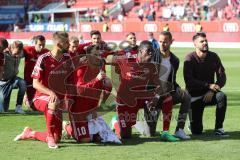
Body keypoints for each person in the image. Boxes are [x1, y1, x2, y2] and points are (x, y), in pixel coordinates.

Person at [14, 31, 74, 149]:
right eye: (67, 43)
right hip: (41, 97)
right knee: (53, 101)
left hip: (58, 100)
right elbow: (35, 83)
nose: (69, 45)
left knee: (59, 138)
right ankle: (50, 137)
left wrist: (68, 97)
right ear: (59, 44)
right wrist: (51, 92)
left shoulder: (68, 58)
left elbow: (71, 81)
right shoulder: (43, 59)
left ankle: (30, 133)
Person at [112, 40, 173, 139]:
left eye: (152, 51)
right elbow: (111, 61)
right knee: (125, 136)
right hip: (126, 101)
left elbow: (159, 85)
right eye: (148, 51)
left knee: (167, 97)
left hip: (143, 98)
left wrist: (156, 98)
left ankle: (165, 132)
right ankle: (116, 122)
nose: (151, 53)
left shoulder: (152, 66)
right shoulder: (126, 61)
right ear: (140, 51)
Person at [62, 44, 120, 144]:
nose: (99, 57)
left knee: (103, 138)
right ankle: (67, 126)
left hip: (91, 110)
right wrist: (97, 79)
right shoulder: (81, 69)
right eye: (95, 55)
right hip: (78, 111)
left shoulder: (99, 68)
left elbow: (100, 92)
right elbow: (80, 91)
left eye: (99, 55)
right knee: (85, 140)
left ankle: (112, 123)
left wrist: (108, 87)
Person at [183, 32, 228, 136]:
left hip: (209, 94)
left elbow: (222, 76)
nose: (205, 43)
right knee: (197, 132)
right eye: (202, 41)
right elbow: (189, 80)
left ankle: (219, 128)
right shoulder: (189, 58)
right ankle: (192, 123)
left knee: (221, 96)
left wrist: (212, 90)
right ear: (195, 44)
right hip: (194, 97)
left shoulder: (213, 56)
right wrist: (208, 85)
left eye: (206, 40)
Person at [151, 31, 191, 140]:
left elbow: (172, 81)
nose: (162, 44)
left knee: (186, 96)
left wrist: (179, 89)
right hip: (152, 96)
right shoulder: (152, 57)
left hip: (167, 93)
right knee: (150, 133)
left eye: (165, 42)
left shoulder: (175, 60)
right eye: (160, 42)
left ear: (171, 42)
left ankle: (179, 130)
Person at [23, 35, 49, 110]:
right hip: (29, 82)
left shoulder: (47, 52)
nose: (41, 47)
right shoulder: (28, 49)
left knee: (41, 105)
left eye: (43, 45)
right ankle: (27, 97)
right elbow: (16, 50)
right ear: (35, 43)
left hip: (40, 82)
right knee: (32, 107)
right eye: (39, 45)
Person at [0, 40, 26, 114]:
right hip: (4, 82)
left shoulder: (21, 53)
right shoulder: (3, 54)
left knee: (23, 83)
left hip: (13, 79)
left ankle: (18, 107)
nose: (18, 55)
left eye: (19, 53)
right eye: (16, 53)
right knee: (4, 109)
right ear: (11, 48)